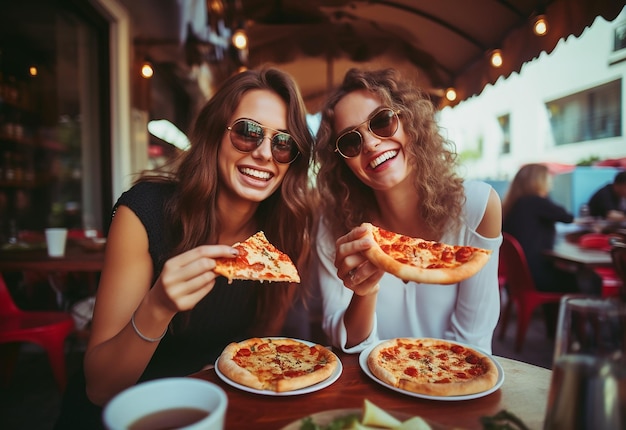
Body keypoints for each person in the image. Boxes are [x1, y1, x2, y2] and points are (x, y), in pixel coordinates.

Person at [55, 67, 315, 428]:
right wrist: (158, 306)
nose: (263, 153)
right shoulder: (146, 212)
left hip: (210, 412)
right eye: (247, 132)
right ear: (213, 134)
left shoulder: (284, 237)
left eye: (283, 142)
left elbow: (254, 351)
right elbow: (100, 388)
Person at [312, 68, 502, 355]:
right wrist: (365, 292)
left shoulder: (477, 207)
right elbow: (346, 342)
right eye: (351, 141)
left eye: (382, 122)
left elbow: (473, 344)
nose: (371, 144)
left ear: (409, 121)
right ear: (342, 163)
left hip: (453, 390)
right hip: (370, 388)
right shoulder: (332, 223)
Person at [502, 163, 581, 293]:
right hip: (536, 276)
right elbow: (567, 217)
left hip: (518, 277)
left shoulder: (513, 204)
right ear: (538, 181)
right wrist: (544, 196)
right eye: (548, 179)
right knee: (580, 280)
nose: (551, 184)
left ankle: (552, 313)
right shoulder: (535, 202)